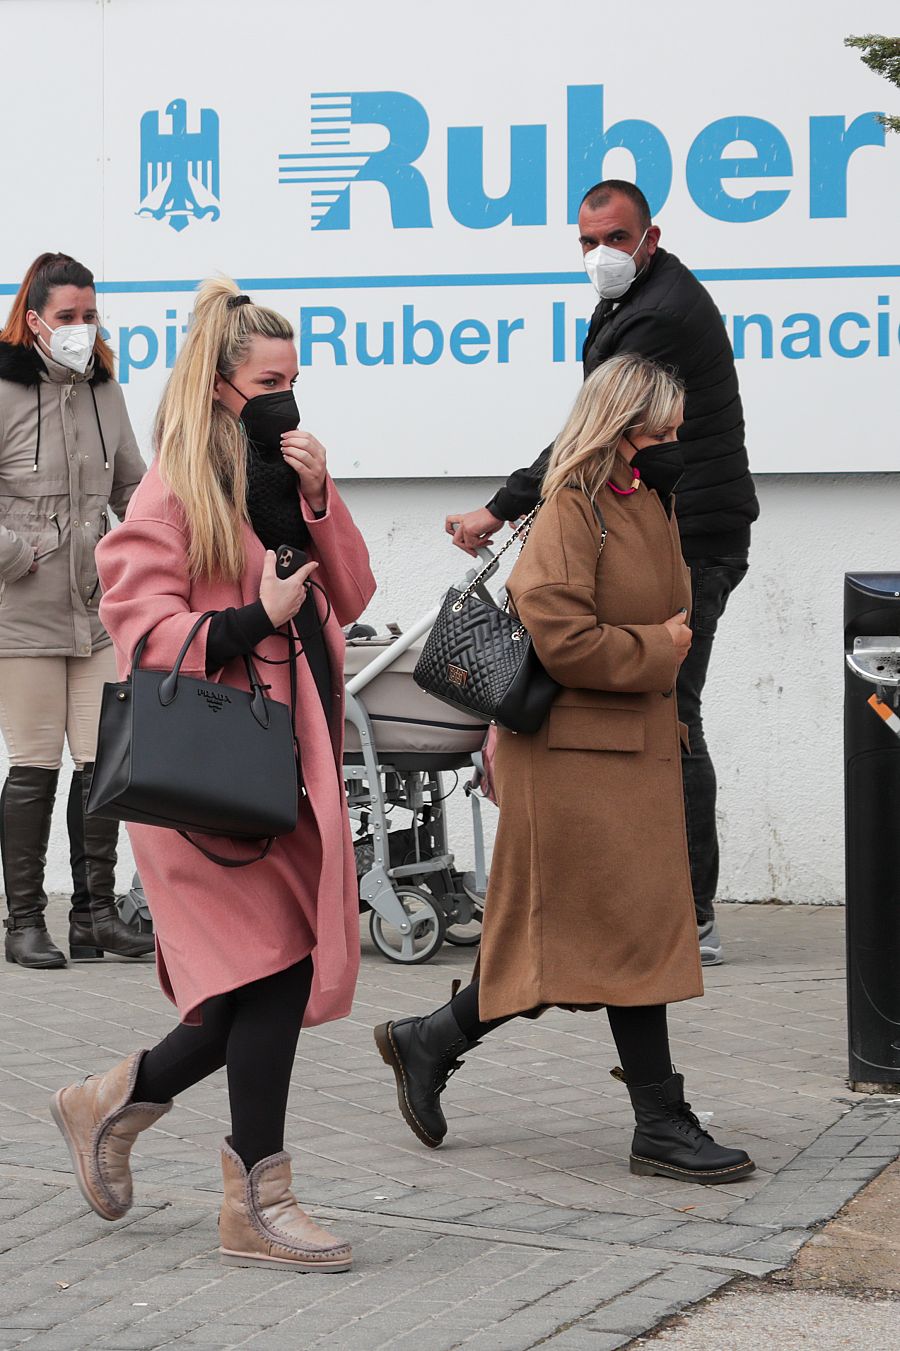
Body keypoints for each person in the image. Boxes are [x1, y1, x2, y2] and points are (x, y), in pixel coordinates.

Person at [50, 279, 376, 1272]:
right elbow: (138, 624)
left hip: (284, 761)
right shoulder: (175, 489)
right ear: (223, 384)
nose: (289, 399)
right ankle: (256, 1197)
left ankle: (114, 1101)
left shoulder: (279, 478)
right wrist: (251, 621)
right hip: (206, 775)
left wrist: (318, 498)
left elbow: (353, 595)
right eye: (271, 381)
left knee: (256, 980)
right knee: (272, 966)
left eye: (297, 379)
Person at [377, 353, 754, 1187]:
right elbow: (561, 636)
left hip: (627, 754)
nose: (676, 444)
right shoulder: (573, 510)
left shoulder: (645, 499)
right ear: (624, 434)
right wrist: (659, 649)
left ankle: (430, 1039)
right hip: (576, 762)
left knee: (578, 943)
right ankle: (659, 1121)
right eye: (663, 431)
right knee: (624, 939)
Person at [445, 181, 759, 966]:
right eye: (587, 242)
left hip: (692, 532)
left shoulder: (657, 314)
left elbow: (592, 429)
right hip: (674, 522)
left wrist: (499, 509)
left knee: (670, 710)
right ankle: (652, 897)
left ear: (651, 237)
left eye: (616, 239)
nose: (600, 256)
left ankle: (689, 911)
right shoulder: (637, 300)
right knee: (649, 705)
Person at [0, 252, 152, 969]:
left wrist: (159, 553)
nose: (81, 329)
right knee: (35, 764)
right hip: (20, 611)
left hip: (94, 611)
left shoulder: (104, 391)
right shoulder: (2, 389)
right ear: (34, 319)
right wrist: (17, 557)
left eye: (90, 315)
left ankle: (93, 917)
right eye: (67, 317)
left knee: (102, 763)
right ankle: (25, 921)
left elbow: (135, 489)